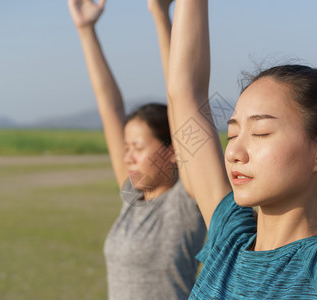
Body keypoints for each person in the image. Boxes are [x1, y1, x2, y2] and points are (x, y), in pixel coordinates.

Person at [167, 0, 317, 298]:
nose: (233, 153)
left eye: (261, 132)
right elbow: (184, 94)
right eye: (233, 133)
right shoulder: (227, 241)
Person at [68, 0, 206, 299]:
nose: (127, 154)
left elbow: (184, 95)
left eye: (138, 146)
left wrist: (159, 14)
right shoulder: (133, 198)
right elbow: (110, 110)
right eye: (126, 146)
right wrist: (86, 30)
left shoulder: (184, 204)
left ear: (172, 151)